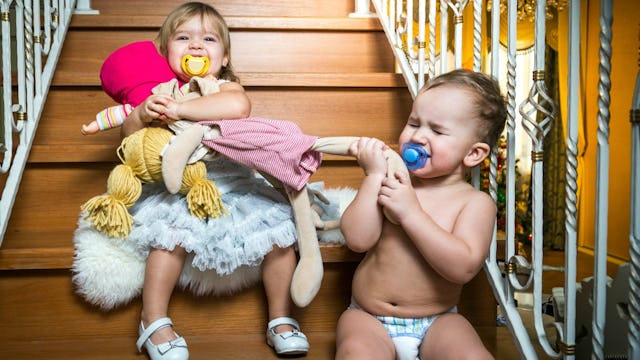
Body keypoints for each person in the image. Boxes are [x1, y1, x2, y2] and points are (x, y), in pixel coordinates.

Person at [106, 3, 309, 359]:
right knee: (171, 234)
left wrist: (180, 109)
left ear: (225, 56)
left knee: (278, 231)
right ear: (165, 50)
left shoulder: (223, 87)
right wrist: (141, 113)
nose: (196, 46)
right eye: (183, 37)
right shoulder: (160, 90)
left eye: (209, 39)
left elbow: (237, 108)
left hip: (234, 182)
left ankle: (281, 318)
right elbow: (129, 139)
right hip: (180, 185)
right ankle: (153, 320)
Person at [335, 69, 507, 360]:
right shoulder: (392, 180)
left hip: (438, 320)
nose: (418, 136)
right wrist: (374, 176)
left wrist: (411, 213)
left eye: (437, 131)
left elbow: (462, 267)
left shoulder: (475, 203)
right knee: (356, 353)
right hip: (368, 317)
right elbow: (356, 239)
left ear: (474, 154)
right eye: (414, 123)